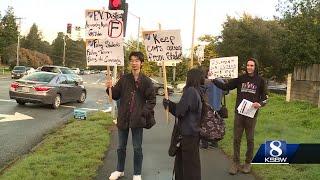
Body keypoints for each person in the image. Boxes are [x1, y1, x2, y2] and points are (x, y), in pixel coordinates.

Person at [212, 58, 268, 175]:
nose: (249, 67)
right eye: (248, 65)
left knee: (250, 139)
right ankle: (235, 163)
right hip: (239, 114)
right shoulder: (240, 79)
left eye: (251, 65)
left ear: (255, 67)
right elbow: (225, 86)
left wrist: (260, 104)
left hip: (251, 115)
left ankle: (247, 163)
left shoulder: (261, 81)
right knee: (236, 139)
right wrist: (214, 79)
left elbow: (265, 97)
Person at [106, 51, 156, 180]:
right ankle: (119, 170)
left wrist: (142, 112)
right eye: (132, 60)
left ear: (141, 63)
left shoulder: (146, 81)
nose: (134, 63)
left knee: (137, 147)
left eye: (137, 60)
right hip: (123, 117)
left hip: (137, 120)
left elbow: (152, 100)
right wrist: (109, 88)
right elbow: (116, 95)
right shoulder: (124, 79)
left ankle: (137, 173)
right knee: (121, 146)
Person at [163, 68, 204, 180]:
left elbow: (180, 111)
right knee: (185, 164)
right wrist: (170, 104)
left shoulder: (191, 91)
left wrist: (169, 105)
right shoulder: (198, 91)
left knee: (189, 167)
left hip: (188, 134)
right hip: (193, 132)